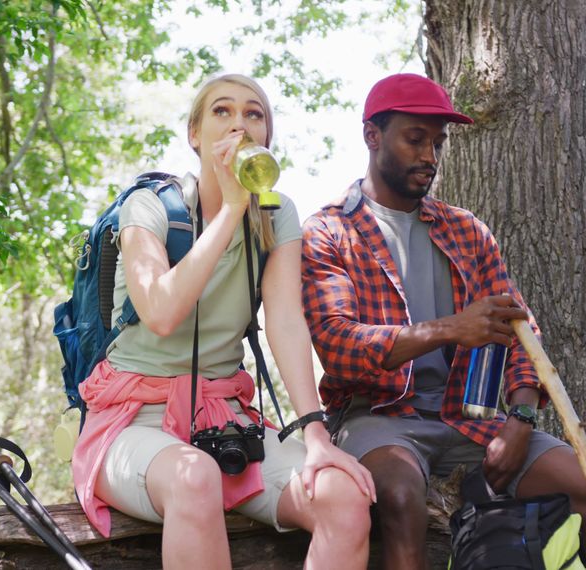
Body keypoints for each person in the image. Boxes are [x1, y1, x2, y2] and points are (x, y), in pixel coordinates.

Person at [301, 73, 586, 569]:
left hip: (470, 420)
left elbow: (522, 334)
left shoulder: (466, 230)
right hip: (377, 419)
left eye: (438, 143)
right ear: (373, 135)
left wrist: (521, 418)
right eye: (415, 139)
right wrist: (450, 328)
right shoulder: (328, 231)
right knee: (398, 497)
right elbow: (338, 346)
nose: (430, 157)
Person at [70, 73, 375, 570]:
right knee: (195, 476)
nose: (239, 124)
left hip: (222, 419)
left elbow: (285, 322)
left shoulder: (277, 214)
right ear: (195, 134)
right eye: (222, 112)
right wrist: (233, 207)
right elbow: (162, 312)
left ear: (266, 138)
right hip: (132, 422)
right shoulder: (148, 207)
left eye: (254, 114)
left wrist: (315, 437)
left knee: (342, 495)